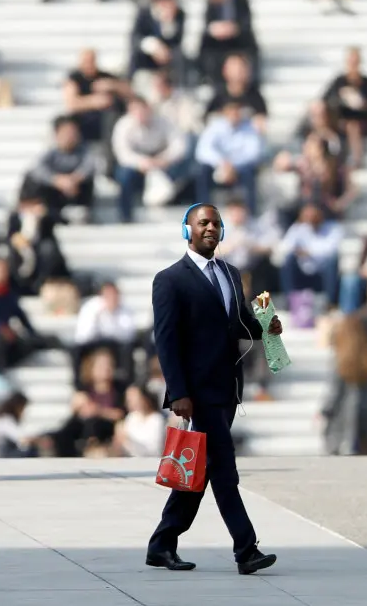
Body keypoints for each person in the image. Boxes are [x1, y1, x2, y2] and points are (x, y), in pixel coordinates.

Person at [146, 202, 279, 575]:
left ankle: (162, 543)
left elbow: (238, 326)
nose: (210, 228)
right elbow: (167, 341)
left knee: (200, 470)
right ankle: (246, 548)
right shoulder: (170, 279)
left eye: (216, 223)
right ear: (187, 230)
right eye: (203, 222)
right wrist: (178, 392)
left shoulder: (232, 274)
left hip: (227, 388)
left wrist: (265, 327)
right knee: (223, 468)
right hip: (197, 392)